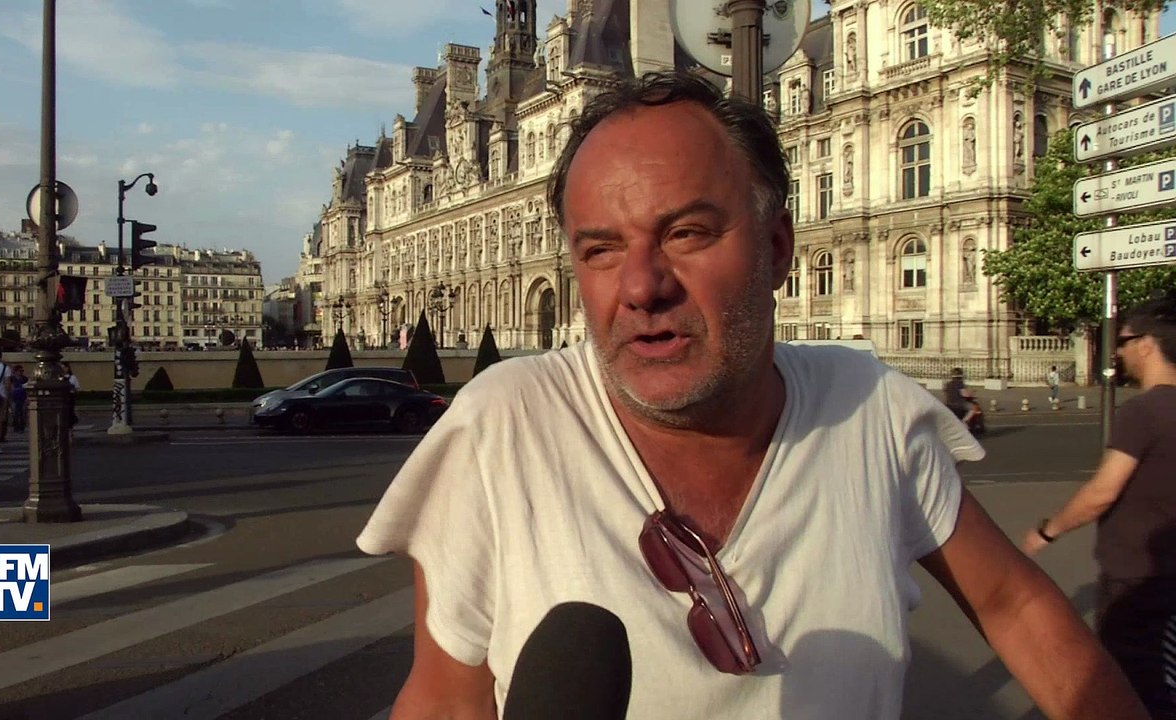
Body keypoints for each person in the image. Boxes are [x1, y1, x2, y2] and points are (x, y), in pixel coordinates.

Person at [357, 72, 1146, 719]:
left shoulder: (871, 407)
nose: (640, 286)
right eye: (599, 250)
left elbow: (1014, 602)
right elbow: (446, 701)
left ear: (777, 249)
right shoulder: (503, 423)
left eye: (687, 233)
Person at [1023, 297, 1176, 718]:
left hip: (1136, 576)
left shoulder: (1143, 412)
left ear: (1147, 345)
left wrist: (1047, 530)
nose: (1119, 352)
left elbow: (1102, 492)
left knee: (1133, 684)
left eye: (1124, 341)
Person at [10, 364, 29, 432]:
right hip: (14, 398)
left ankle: (22, 427)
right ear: (15, 371)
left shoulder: (25, 379)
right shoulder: (11, 379)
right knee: (15, 413)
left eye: (22, 371)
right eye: (20, 371)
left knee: (23, 413)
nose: (21, 372)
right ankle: (16, 427)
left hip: (23, 398)